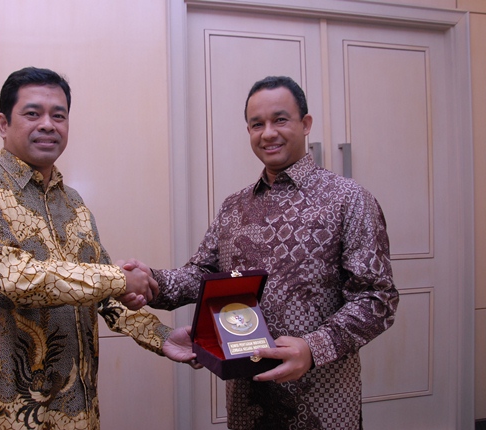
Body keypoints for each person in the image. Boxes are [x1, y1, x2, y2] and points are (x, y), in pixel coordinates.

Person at [121, 76, 399, 429]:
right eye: (257, 124)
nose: (268, 133)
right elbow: (202, 274)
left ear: (305, 124)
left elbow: (377, 298)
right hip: (249, 399)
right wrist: (152, 281)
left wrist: (313, 348)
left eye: (280, 120)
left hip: (323, 397)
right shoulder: (234, 206)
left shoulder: (349, 199)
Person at [0, 66, 195, 430]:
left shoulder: (73, 203)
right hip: (2, 412)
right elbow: (8, 278)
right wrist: (119, 279)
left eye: (58, 116)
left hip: (78, 410)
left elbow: (104, 295)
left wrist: (162, 336)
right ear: (3, 123)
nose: (48, 125)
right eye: (33, 113)